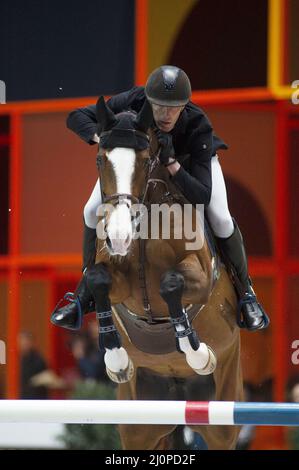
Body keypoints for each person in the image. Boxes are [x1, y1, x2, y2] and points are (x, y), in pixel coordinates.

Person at [51, 65, 269, 332]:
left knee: (221, 218)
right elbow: (77, 116)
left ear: (184, 106)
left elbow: (200, 194)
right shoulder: (134, 99)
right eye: (159, 106)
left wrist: (173, 165)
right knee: (90, 210)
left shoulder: (197, 124)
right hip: (135, 166)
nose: (166, 114)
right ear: (148, 101)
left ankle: (246, 293)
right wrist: (105, 136)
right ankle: (82, 295)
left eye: (174, 107)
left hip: (189, 166)